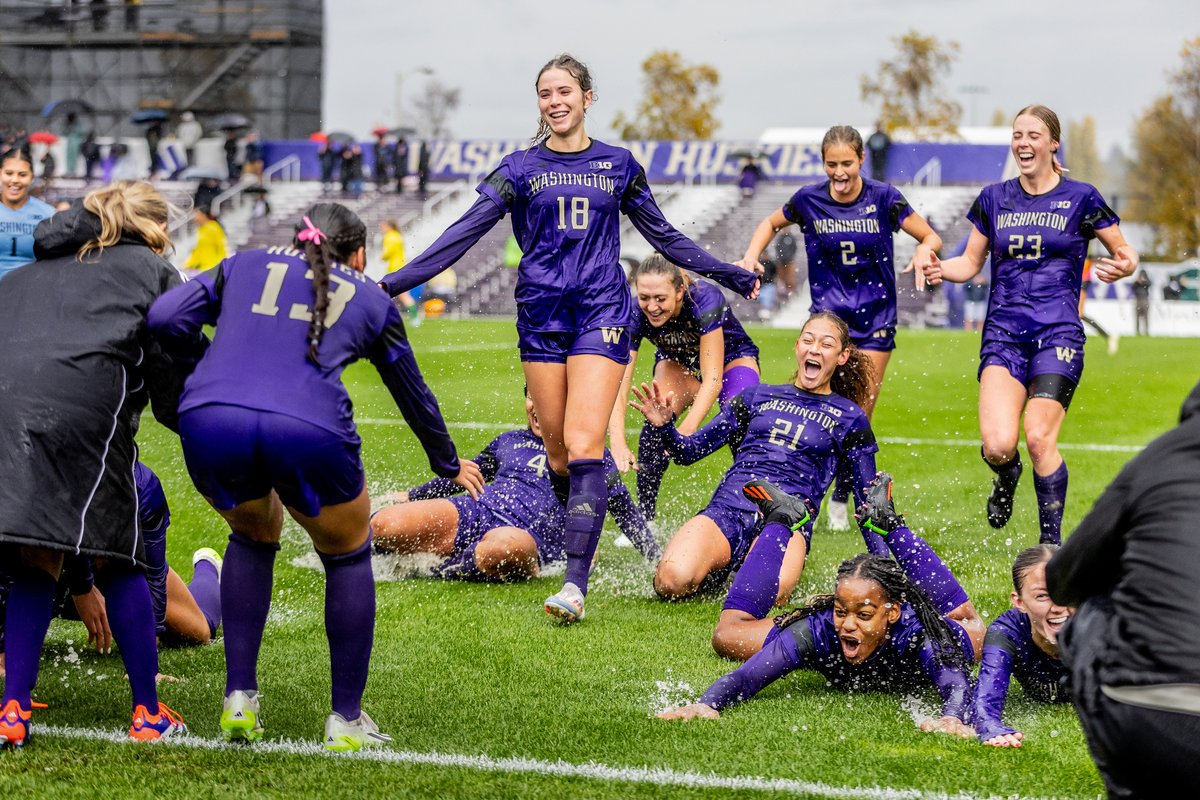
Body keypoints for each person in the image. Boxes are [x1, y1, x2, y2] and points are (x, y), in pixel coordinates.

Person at [379, 53, 759, 624]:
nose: (555, 101)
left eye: (564, 91)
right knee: (558, 453)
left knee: (584, 445)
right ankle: (567, 533)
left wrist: (727, 273)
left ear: (586, 97)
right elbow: (461, 233)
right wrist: (390, 284)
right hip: (540, 318)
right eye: (545, 94)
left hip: (602, 312)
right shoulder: (518, 168)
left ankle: (574, 586)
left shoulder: (619, 164)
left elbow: (665, 235)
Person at [146, 202, 484, 751]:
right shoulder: (370, 295)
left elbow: (163, 317)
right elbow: (413, 394)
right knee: (349, 550)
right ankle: (345, 720)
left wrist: (209, 363)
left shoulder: (244, 262)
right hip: (308, 425)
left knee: (252, 535)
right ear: (357, 253)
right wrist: (447, 462)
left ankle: (240, 699)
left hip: (210, 416)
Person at [0, 182, 191, 747]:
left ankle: (13, 710)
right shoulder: (155, 273)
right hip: (81, 421)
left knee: (37, 555)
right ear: (154, 228)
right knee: (120, 555)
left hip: (6, 413)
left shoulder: (25, 273)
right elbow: (172, 387)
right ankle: (147, 712)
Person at [920, 105, 1138, 546]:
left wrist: (1126, 264)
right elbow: (970, 261)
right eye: (1017, 134)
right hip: (1003, 334)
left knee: (1038, 437)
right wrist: (940, 268)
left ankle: (1049, 546)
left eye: (1033, 135)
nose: (1023, 142)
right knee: (999, 445)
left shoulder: (1083, 198)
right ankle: (1007, 474)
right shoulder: (994, 198)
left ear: (1052, 143)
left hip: (1057, 334)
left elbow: (1124, 251)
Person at [659, 474, 981, 738]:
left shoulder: (916, 634)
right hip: (874, 602)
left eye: (864, 615)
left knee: (973, 630)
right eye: (842, 611)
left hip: (921, 618)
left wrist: (952, 718)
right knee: (728, 636)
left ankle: (890, 526)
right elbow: (747, 677)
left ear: (893, 614)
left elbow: (953, 679)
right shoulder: (819, 630)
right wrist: (706, 704)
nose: (848, 625)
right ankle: (780, 519)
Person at [740, 125, 941, 531]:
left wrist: (924, 249)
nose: (839, 172)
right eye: (831, 164)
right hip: (829, 320)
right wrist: (750, 256)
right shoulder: (809, 199)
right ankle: (804, 492)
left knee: (856, 417)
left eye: (846, 163)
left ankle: (843, 495)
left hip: (876, 321)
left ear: (861, 160)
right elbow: (770, 223)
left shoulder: (883, 198)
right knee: (817, 411)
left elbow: (930, 235)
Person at [630, 312, 884, 610]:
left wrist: (881, 571)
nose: (815, 349)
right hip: (729, 508)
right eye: (808, 340)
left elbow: (869, 504)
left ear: (842, 357)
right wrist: (664, 428)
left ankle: (737, 567)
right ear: (797, 347)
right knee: (670, 581)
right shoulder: (756, 397)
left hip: (788, 522)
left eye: (826, 344)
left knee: (765, 595)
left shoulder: (851, 418)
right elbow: (689, 452)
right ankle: (721, 563)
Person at [1046, 379, 1200, 797]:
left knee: (1092, 612)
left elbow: (1064, 579)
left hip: (1149, 715)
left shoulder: (1161, 459)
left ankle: (1127, 783)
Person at [373, 388, 660, 581]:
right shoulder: (509, 440)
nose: (536, 407)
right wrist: (411, 495)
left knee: (501, 548)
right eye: (531, 396)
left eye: (546, 400)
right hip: (476, 511)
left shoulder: (592, 456)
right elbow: (466, 475)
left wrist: (657, 561)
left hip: (530, 538)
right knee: (384, 526)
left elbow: (626, 513)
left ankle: (436, 568)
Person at [607, 254, 760, 521]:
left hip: (729, 360)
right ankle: (646, 517)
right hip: (680, 364)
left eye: (660, 299)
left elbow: (712, 379)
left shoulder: (704, 298)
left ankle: (756, 509)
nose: (652, 307)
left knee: (742, 424)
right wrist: (618, 441)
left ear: (679, 291)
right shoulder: (633, 312)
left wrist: (685, 432)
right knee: (655, 422)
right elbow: (619, 382)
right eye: (645, 297)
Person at [971, 545, 1072, 747]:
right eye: (1042, 596)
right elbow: (985, 700)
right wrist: (990, 726)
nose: (1059, 607)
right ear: (1019, 602)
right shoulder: (1007, 634)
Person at [0, 148, 55, 282]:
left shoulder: (48, 214)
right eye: (9, 173)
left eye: (22, 175)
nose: (14, 180)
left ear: (31, 177)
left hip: (31, 293)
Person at [380, 219, 421, 326]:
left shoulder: (389, 236)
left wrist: (382, 257)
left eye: (383, 227)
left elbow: (387, 253)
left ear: (389, 226)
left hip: (394, 268)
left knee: (391, 294)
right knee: (400, 294)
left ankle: (414, 318)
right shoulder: (398, 235)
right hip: (401, 266)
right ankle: (413, 317)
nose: (382, 229)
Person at [182, 206, 229, 273]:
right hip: (203, 268)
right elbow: (198, 251)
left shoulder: (214, 228)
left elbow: (222, 247)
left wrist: (225, 265)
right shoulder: (201, 230)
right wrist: (188, 264)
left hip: (214, 267)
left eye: (197, 215)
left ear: (204, 215)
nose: (195, 218)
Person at [773, 230, 798, 303]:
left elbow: (794, 248)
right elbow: (777, 248)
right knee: (781, 280)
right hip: (781, 261)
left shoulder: (791, 238)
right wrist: (780, 258)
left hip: (789, 261)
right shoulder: (780, 238)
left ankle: (791, 294)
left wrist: (790, 257)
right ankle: (782, 296)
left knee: (790, 278)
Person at [1131, 269, 1151, 336]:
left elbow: (1149, 284)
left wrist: (1144, 281)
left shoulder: (1147, 282)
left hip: (1145, 300)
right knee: (1137, 317)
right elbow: (1133, 287)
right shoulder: (1136, 283)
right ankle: (1137, 331)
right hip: (1138, 300)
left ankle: (1146, 331)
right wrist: (1137, 282)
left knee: (1146, 317)